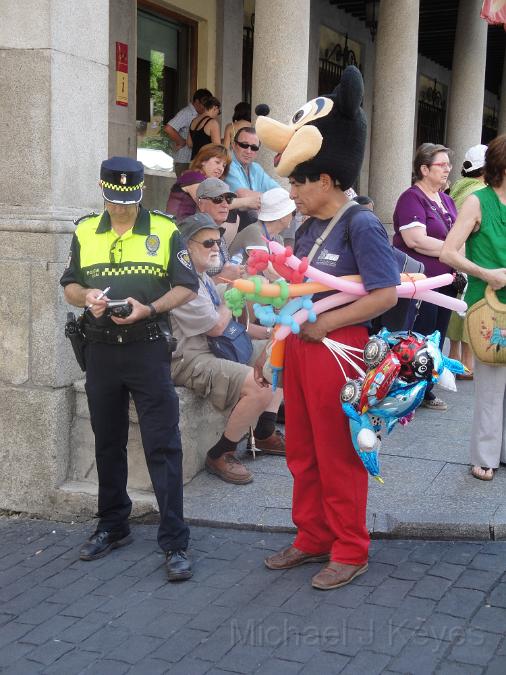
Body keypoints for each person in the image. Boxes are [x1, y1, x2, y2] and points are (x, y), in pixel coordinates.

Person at [254, 66, 399, 590]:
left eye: (297, 179)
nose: (290, 189)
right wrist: (276, 343)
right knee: (303, 449)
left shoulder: (362, 223)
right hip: (302, 349)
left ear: (326, 179)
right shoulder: (309, 223)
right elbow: (296, 295)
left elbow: (384, 295)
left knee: (339, 453)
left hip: (341, 352)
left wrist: (328, 324)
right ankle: (312, 536)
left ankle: (350, 547)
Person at [60, 157, 199, 581]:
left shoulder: (164, 228)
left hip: (147, 348)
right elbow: (69, 284)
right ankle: (112, 525)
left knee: (163, 444)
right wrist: (88, 298)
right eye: (114, 200)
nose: (121, 208)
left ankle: (174, 540)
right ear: (104, 192)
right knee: (107, 441)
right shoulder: (85, 229)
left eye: (128, 201)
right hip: (100, 349)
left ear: (140, 194)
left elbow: (187, 285)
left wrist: (149, 308)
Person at [171, 213, 286, 485]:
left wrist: (247, 283)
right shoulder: (180, 280)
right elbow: (215, 326)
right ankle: (221, 453)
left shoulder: (199, 275)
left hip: (213, 349)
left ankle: (265, 432)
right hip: (189, 358)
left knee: (281, 354)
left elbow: (228, 303)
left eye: (217, 242)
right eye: (208, 243)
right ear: (187, 246)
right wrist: (232, 297)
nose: (216, 248)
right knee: (258, 386)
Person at [441, 135, 506, 482]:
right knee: (492, 384)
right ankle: (484, 455)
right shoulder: (477, 201)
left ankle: (502, 450)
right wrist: (486, 273)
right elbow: (449, 252)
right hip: (489, 305)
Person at [393, 143, 458, 411]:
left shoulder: (446, 199)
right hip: (421, 280)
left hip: (447, 279)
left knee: (436, 336)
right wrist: (453, 252)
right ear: (424, 169)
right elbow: (415, 240)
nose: (447, 170)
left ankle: (426, 386)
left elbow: (460, 234)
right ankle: (409, 388)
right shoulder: (412, 198)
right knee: (418, 334)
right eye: (441, 165)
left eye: (448, 165)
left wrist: (457, 258)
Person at [447, 144, 487, 379]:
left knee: (456, 307)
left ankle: (453, 358)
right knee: (470, 305)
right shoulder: (480, 191)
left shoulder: (458, 187)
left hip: (453, 254)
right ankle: (467, 363)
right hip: (471, 253)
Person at [226, 127, 280, 229]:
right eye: (244, 145)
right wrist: (276, 199)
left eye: (254, 148)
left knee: (291, 211)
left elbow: (278, 190)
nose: (249, 151)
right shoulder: (228, 165)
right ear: (233, 145)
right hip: (236, 221)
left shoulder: (256, 168)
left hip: (256, 219)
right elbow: (244, 195)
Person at [228, 187, 295, 268]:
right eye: (293, 213)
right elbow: (266, 270)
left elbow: (280, 269)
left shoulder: (277, 239)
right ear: (282, 216)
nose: (293, 218)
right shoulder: (254, 231)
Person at [165, 143, 231, 222]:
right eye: (217, 162)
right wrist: (246, 202)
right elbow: (209, 204)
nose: (220, 168)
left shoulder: (207, 181)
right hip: (177, 227)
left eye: (224, 165)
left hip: (191, 226)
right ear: (203, 161)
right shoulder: (193, 176)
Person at [163, 88, 212, 176]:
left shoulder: (199, 115)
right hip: (184, 160)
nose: (205, 107)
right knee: (184, 188)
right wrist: (181, 141)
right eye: (204, 104)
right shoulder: (186, 113)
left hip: (193, 159)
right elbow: (168, 128)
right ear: (197, 102)